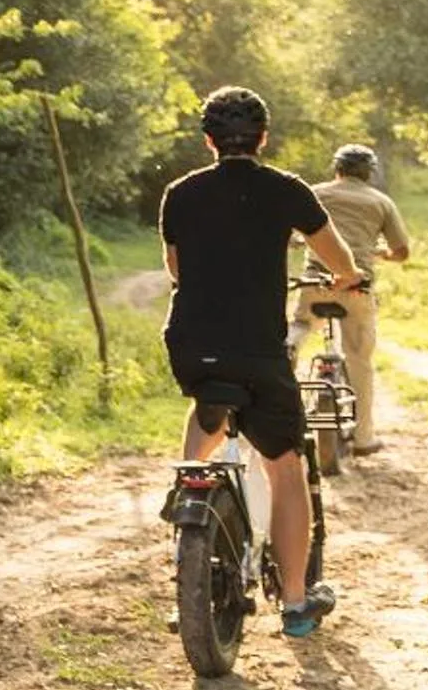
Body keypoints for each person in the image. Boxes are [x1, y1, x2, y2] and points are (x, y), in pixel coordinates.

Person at [161, 86, 364, 640]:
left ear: (208, 141)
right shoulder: (286, 190)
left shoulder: (179, 194)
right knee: (284, 468)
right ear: (263, 138)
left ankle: (188, 491)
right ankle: (296, 602)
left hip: (192, 344)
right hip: (258, 350)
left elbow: (176, 269)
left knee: (209, 406)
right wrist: (346, 278)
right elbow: (336, 256)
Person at [289, 143, 411, 456]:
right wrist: (380, 252)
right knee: (359, 359)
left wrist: (299, 241)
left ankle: (291, 345)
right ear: (369, 174)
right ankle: (363, 438)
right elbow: (402, 252)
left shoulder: (314, 193)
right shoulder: (381, 202)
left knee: (301, 324)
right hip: (357, 287)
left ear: (337, 169)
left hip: (316, 281)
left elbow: (289, 235)